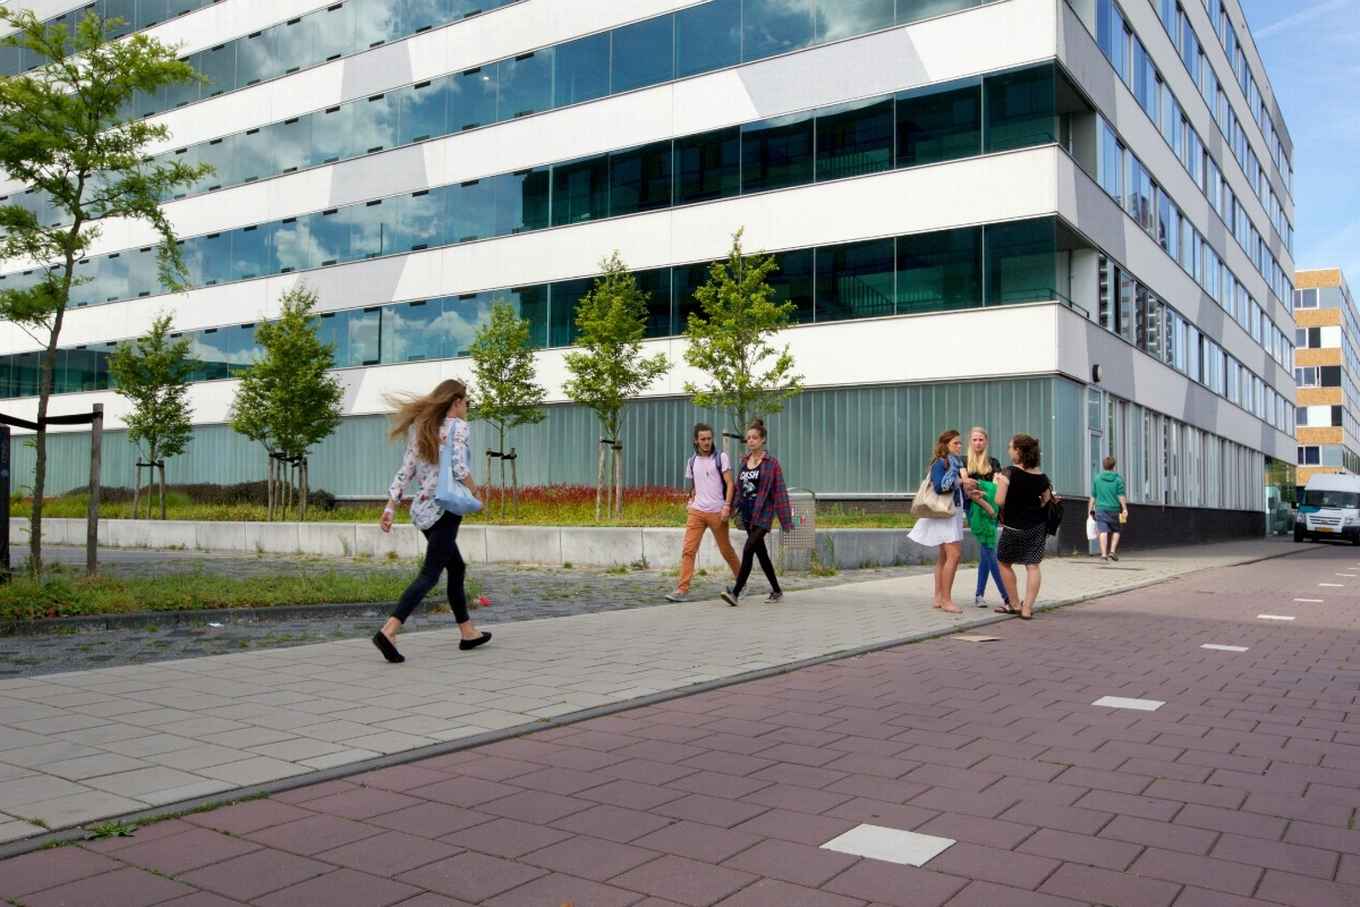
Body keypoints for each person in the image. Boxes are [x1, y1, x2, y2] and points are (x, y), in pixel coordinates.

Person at [372, 379, 491, 663]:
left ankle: (467, 632)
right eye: (466, 402)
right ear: (456, 402)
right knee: (430, 574)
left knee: (456, 567)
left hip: (424, 511)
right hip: (446, 509)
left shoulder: (421, 429)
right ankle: (389, 630)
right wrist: (476, 490)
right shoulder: (458, 427)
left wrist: (390, 508)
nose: (467, 407)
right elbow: (460, 468)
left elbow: (406, 471)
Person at [720, 419, 792, 607]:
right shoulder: (744, 462)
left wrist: (786, 520)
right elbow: (738, 488)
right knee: (761, 554)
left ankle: (735, 593)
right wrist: (731, 507)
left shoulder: (771, 464)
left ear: (762, 440)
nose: (751, 441)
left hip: (763, 513)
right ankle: (776, 590)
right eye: (749, 438)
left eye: (755, 438)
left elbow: (780, 492)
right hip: (747, 514)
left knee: (748, 549)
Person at [666, 423, 741, 602]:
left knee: (726, 550)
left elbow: (730, 483)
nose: (707, 442)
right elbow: (692, 487)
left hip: (718, 512)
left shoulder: (721, 457)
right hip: (697, 512)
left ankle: (742, 581)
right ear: (696, 440)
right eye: (703, 439)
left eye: (709, 438)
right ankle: (682, 590)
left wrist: (727, 506)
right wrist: (690, 501)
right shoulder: (691, 461)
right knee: (688, 550)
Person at [995, 433, 1055, 621]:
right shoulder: (1042, 476)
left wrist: (997, 483)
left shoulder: (1008, 472)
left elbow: (999, 500)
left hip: (1013, 527)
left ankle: (1014, 604)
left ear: (1018, 451)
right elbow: (1046, 500)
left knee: (1004, 562)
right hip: (1036, 526)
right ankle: (1027, 608)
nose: (1009, 450)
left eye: (1010, 447)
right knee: (1033, 566)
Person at [909, 430, 965, 614]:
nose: (959, 446)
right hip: (944, 514)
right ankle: (946, 600)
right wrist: (957, 477)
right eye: (956, 443)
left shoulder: (953, 462)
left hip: (951, 513)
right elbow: (941, 487)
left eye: (960, 443)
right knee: (954, 556)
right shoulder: (942, 463)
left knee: (944, 556)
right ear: (946, 445)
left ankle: (939, 597)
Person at [960, 426, 1007, 609]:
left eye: (981, 439)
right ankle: (1006, 595)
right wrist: (982, 490)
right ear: (970, 442)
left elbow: (996, 489)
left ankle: (979, 594)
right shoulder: (963, 462)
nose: (978, 443)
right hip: (975, 510)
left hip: (992, 511)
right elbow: (969, 490)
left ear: (986, 441)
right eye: (974, 440)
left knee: (986, 552)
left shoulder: (993, 462)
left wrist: (982, 487)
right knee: (989, 550)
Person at [1089, 456, 1129, 562]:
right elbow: (1121, 495)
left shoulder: (1097, 478)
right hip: (1114, 509)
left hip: (1100, 509)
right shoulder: (1118, 479)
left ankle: (1103, 555)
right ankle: (1112, 552)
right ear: (1113, 466)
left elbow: (1093, 496)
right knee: (1117, 530)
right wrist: (1124, 508)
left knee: (1103, 531)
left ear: (1104, 465)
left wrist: (1089, 510)